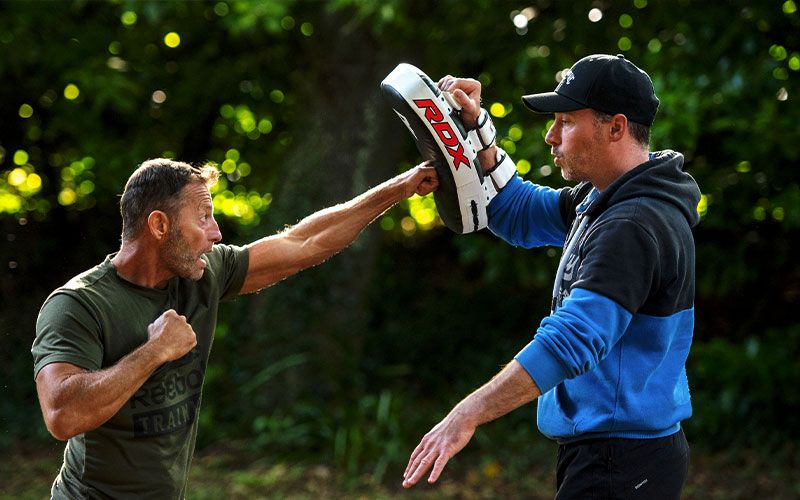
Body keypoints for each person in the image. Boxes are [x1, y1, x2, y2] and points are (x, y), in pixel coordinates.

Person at [32, 157, 438, 499]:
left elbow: (305, 243)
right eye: (204, 217)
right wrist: (153, 351)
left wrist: (399, 189)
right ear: (159, 226)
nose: (216, 233)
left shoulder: (203, 274)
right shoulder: (78, 304)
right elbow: (62, 415)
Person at [402, 54, 700, 499]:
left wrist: (468, 413)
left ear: (615, 127)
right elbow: (518, 212)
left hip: (620, 463)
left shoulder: (632, 225)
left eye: (565, 121)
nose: (550, 136)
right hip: (618, 454)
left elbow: (573, 340)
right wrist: (480, 136)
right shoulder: (605, 200)